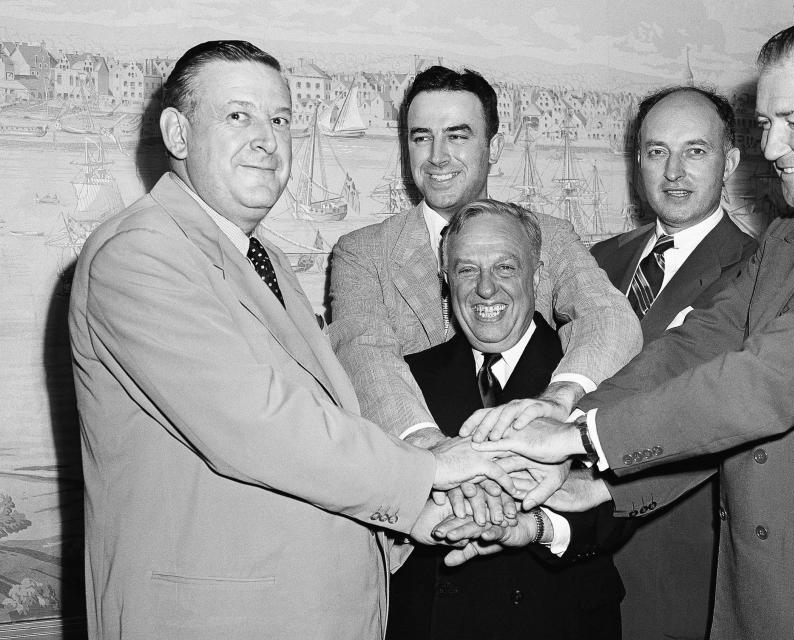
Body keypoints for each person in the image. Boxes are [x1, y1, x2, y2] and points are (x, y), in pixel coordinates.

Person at [475, 17, 794, 639]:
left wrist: (582, 438)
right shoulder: (789, 234)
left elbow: (765, 383)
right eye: (764, 124)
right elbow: (698, 343)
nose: (773, 147)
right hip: (755, 598)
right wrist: (576, 433)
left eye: (793, 122)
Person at [68, 40, 513, 640]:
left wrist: (416, 516)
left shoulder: (263, 257)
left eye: (279, 119)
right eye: (238, 115)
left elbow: (320, 415)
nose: (266, 138)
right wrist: (425, 470)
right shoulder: (140, 252)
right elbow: (259, 424)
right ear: (176, 134)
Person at [327, 65, 642, 469]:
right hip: (421, 485)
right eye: (422, 137)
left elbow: (609, 318)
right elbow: (365, 356)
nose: (437, 157)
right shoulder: (362, 253)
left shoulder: (552, 235)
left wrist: (557, 400)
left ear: (493, 148)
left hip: (535, 482)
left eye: (457, 136)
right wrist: (433, 452)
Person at [387, 200, 624, 640]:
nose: (485, 289)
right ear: (445, 280)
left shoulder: (592, 371)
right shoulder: (404, 382)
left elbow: (625, 502)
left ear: (536, 276)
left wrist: (538, 526)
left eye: (505, 268)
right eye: (465, 270)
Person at [589, 86, 757, 640]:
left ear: (729, 162)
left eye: (695, 151)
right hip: (576, 551)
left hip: (678, 552)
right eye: (656, 151)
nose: (674, 172)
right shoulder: (598, 261)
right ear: (637, 161)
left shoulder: (758, 273)